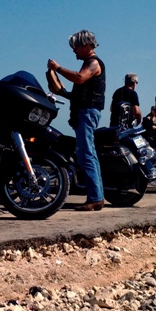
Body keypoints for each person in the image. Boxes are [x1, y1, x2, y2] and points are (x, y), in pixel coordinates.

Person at [48, 30, 105, 211]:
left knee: (86, 154)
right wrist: (62, 91)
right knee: (88, 154)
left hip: (87, 113)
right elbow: (80, 91)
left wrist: (58, 68)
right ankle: (96, 196)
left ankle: (95, 198)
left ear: (86, 45)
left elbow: (80, 79)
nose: (74, 51)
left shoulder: (94, 63)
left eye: (76, 47)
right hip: (85, 111)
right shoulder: (88, 64)